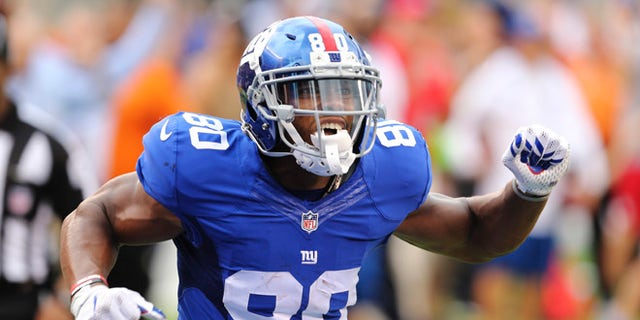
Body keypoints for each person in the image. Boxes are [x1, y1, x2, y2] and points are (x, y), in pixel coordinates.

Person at [59, 16, 571, 320]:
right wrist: (90, 290)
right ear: (261, 104)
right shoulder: (206, 168)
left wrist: (526, 194)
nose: (336, 114)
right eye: (310, 94)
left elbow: (475, 233)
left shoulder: (383, 172)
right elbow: (95, 215)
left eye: (347, 94)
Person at [0, 12, 96, 320]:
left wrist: (65, 295)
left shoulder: (46, 142)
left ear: (7, 69)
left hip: (23, 301)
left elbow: (92, 219)